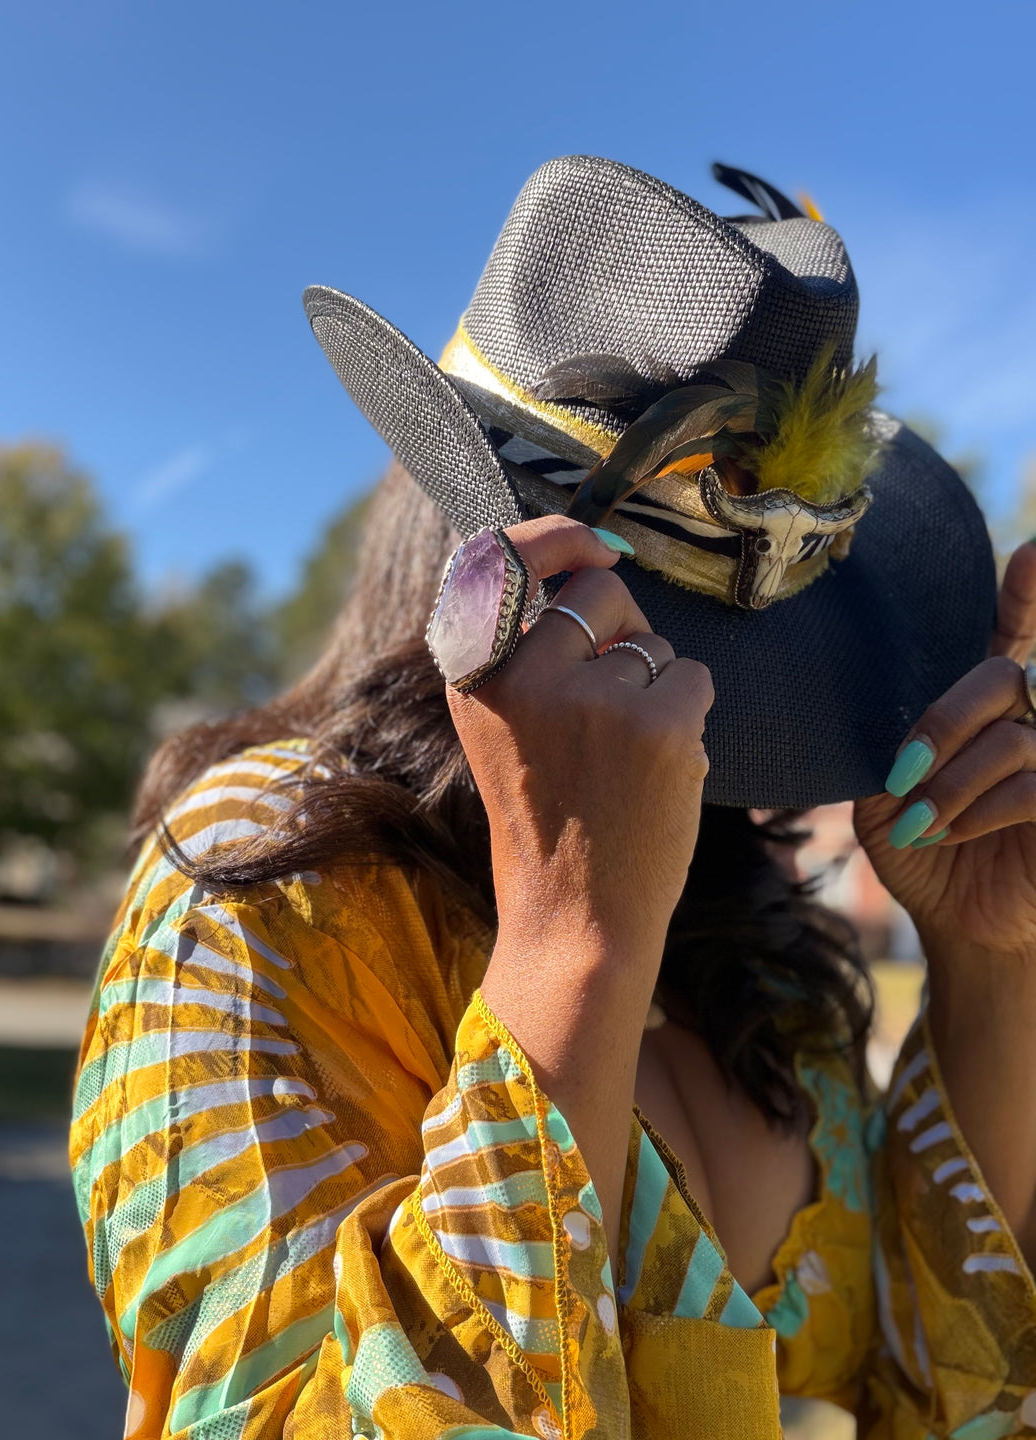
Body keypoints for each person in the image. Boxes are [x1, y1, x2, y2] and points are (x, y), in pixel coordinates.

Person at [70, 157, 1036, 1440]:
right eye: (683, 632)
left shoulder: (750, 931)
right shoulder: (263, 869)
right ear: (493, 566)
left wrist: (988, 959)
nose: (717, 711)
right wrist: (577, 938)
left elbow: (954, 1395)